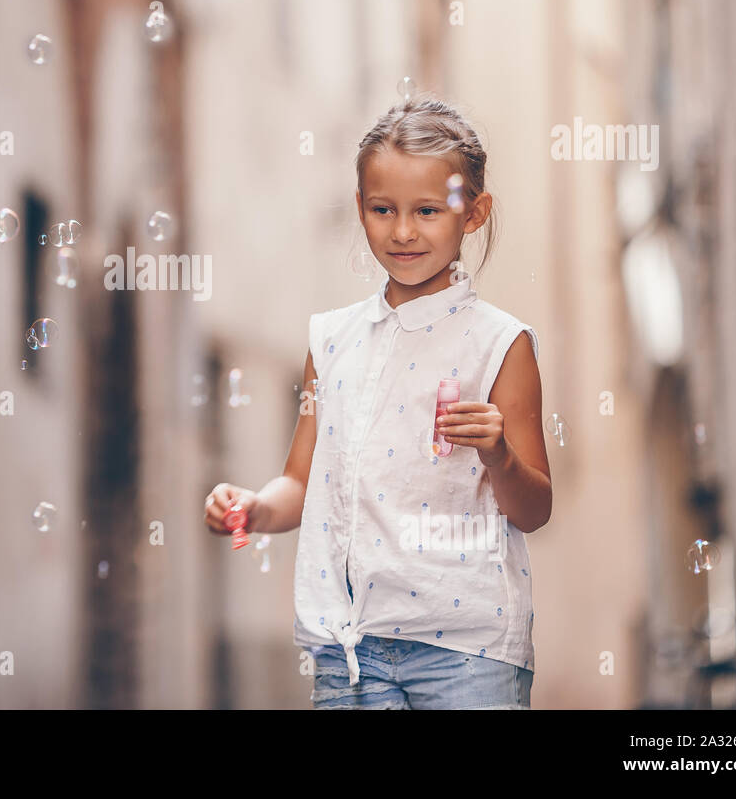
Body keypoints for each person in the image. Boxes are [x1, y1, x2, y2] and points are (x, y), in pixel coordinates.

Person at [204, 95, 552, 709]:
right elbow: (302, 480)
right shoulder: (331, 339)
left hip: (469, 650)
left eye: (427, 210)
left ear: (474, 213)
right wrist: (256, 508)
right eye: (382, 209)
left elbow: (534, 509)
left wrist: (498, 455)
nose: (403, 231)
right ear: (360, 209)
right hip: (348, 649)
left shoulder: (501, 344)